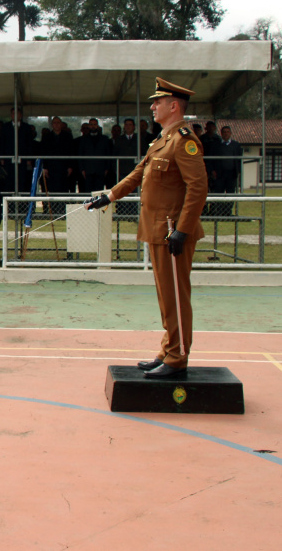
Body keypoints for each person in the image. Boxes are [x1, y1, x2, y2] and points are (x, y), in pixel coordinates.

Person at [85, 78, 208, 379]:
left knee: (176, 294)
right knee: (166, 294)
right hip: (157, 229)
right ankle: (168, 349)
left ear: (174, 106)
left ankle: (178, 357)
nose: (153, 106)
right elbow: (138, 173)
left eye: (158, 102)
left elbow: (198, 187)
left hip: (172, 231)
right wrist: (109, 196)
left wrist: (183, 229)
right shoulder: (162, 140)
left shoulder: (183, 140)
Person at [77, 118, 112, 193]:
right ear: (89, 126)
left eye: (95, 124)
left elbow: (108, 154)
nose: (93, 126)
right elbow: (80, 154)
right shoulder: (83, 139)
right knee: (88, 192)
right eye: (91, 124)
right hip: (88, 170)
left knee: (99, 192)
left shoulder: (105, 139)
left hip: (100, 170)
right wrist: (82, 169)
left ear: (97, 126)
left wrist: (107, 168)